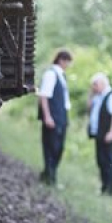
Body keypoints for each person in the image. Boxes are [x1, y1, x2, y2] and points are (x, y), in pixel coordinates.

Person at [38, 49, 72, 186]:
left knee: (59, 148)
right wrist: (47, 117)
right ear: (62, 60)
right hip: (53, 117)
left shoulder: (61, 76)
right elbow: (44, 96)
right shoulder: (51, 74)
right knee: (51, 148)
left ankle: (48, 174)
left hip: (61, 117)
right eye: (68, 62)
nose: (68, 65)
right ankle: (50, 178)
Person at [87, 72, 112, 196]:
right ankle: (104, 186)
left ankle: (110, 189)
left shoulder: (111, 96)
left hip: (107, 134)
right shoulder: (98, 96)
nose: (94, 88)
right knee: (101, 161)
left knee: (108, 161)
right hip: (98, 134)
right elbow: (89, 108)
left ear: (102, 83)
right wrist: (91, 93)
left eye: (95, 85)